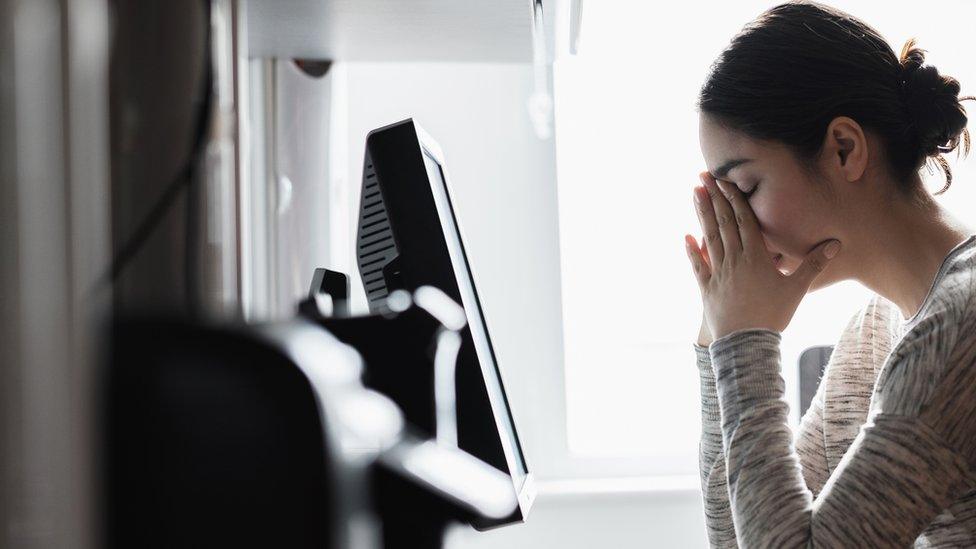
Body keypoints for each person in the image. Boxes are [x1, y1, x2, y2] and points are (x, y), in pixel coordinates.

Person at [683, 1, 976, 546]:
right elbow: (738, 536)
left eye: (745, 189)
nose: (736, 226)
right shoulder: (874, 333)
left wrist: (747, 339)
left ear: (845, 149)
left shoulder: (961, 327)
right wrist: (717, 334)